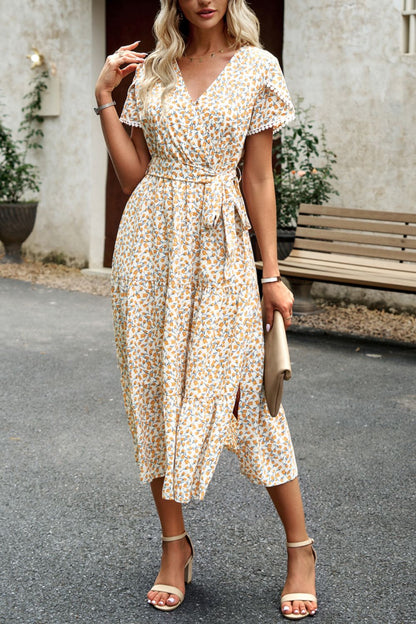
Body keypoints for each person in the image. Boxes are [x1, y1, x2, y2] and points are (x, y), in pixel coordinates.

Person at [95, 0, 317, 619]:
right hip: (149, 249)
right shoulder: (154, 70)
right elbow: (134, 178)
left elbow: (259, 177)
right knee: (154, 394)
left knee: (251, 399)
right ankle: (175, 547)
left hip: (221, 249)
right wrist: (105, 96)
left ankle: (300, 550)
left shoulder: (257, 67)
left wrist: (271, 274)